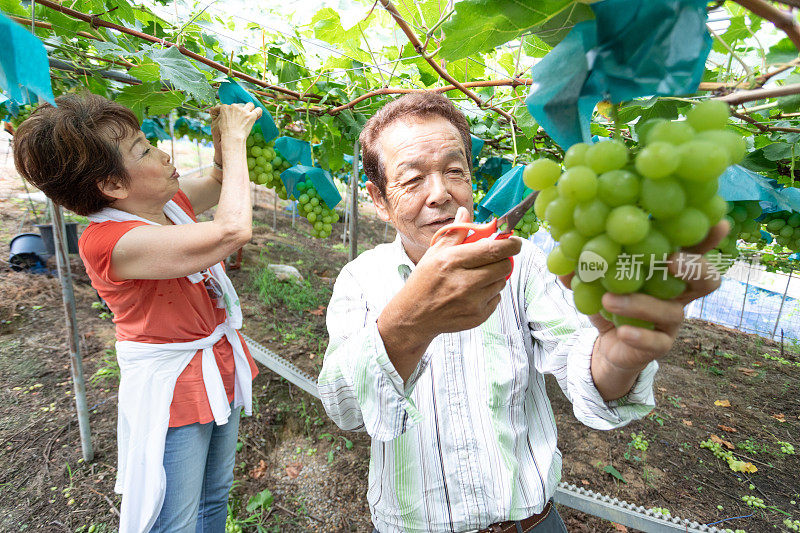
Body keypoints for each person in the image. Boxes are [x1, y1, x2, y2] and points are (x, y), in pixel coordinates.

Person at [317, 92, 725, 533]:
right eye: (412, 179)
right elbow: (345, 407)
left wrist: (615, 357)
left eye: (455, 171)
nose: (440, 194)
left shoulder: (522, 263)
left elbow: (578, 358)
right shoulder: (361, 279)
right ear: (378, 199)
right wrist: (412, 320)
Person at [13, 93, 263, 533]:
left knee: (214, 498)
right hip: (173, 391)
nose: (162, 152)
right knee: (177, 520)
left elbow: (221, 185)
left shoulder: (167, 205)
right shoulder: (110, 242)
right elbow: (233, 230)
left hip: (215, 367)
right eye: (143, 149)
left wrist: (223, 154)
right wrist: (238, 139)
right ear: (112, 186)